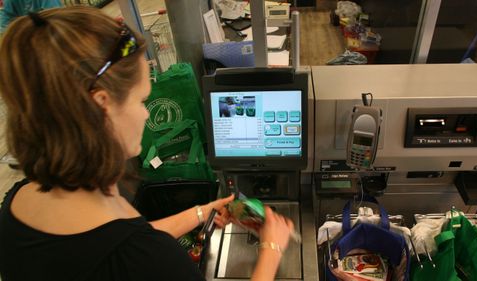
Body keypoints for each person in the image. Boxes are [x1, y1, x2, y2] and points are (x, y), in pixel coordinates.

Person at [0, 6, 294, 281]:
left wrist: (203, 212)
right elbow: (133, 250)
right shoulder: (152, 261)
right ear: (102, 106)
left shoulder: (18, 201)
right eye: (142, 100)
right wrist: (271, 248)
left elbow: (116, 242)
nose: (145, 113)